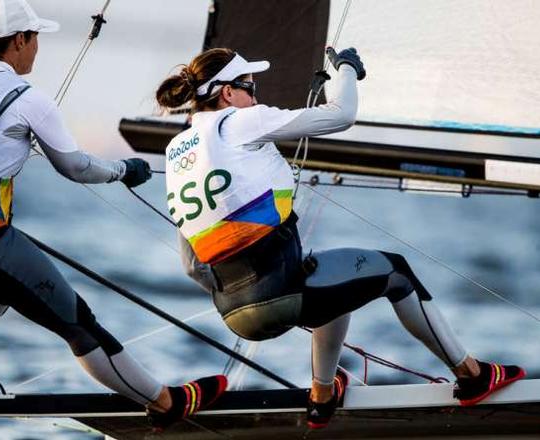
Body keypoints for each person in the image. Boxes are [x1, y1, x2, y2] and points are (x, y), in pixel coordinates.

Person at [0, 0, 226, 429]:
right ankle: (164, 402)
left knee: (0, 289)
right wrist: (123, 170)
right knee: (77, 322)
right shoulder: (25, 98)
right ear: (19, 40)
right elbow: (75, 167)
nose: (38, 47)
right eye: (36, 37)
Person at [156, 47, 525, 428]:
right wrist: (346, 70)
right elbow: (342, 115)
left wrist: (250, 295)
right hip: (281, 295)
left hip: (233, 312)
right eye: (250, 86)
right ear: (227, 93)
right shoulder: (238, 121)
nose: (256, 95)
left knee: (335, 277)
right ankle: (473, 376)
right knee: (396, 272)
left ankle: (323, 396)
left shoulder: (177, 150)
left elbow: (191, 265)